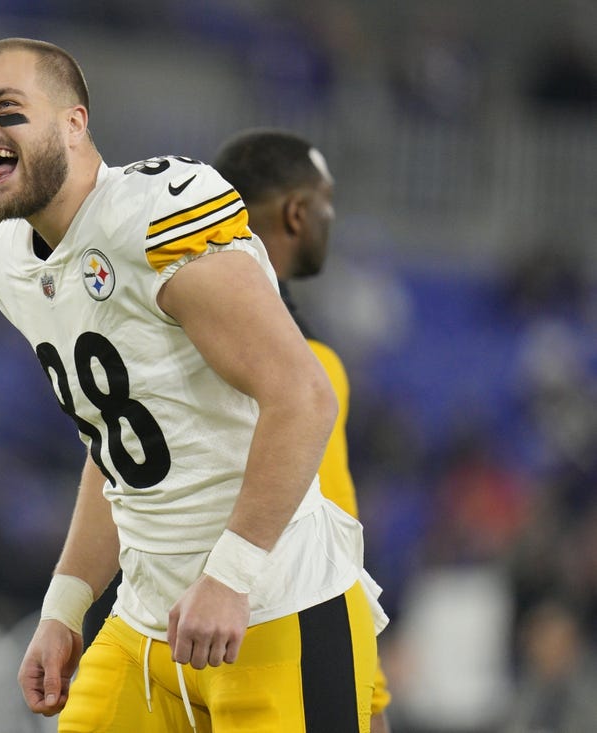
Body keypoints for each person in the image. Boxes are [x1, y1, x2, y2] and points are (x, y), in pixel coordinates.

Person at [0, 37, 387, 732]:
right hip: (146, 623)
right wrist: (65, 608)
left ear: (74, 122)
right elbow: (116, 439)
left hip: (272, 612)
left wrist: (231, 575)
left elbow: (304, 395)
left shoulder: (151, 213)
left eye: (7, 108)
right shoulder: (11, 261)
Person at [212, 128, 393, 732]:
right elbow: (333, 538)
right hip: (267, 642)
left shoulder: (164, 336)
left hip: (145, 636)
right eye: (326, 204)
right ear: (296, 213)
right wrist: (372, 696)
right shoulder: (310, 370)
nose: (329, 220)